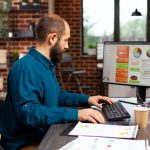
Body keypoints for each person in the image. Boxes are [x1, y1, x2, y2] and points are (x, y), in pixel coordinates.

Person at [0, 14, 113, 150]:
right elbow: (29, 112)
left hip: (42, 135)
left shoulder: (46, 65)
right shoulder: (26, 68)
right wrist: (76, 114)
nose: (67, 46)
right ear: (53, 38)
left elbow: (56, 95)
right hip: (25, 144)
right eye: (65, 40)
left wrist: (88, 100)